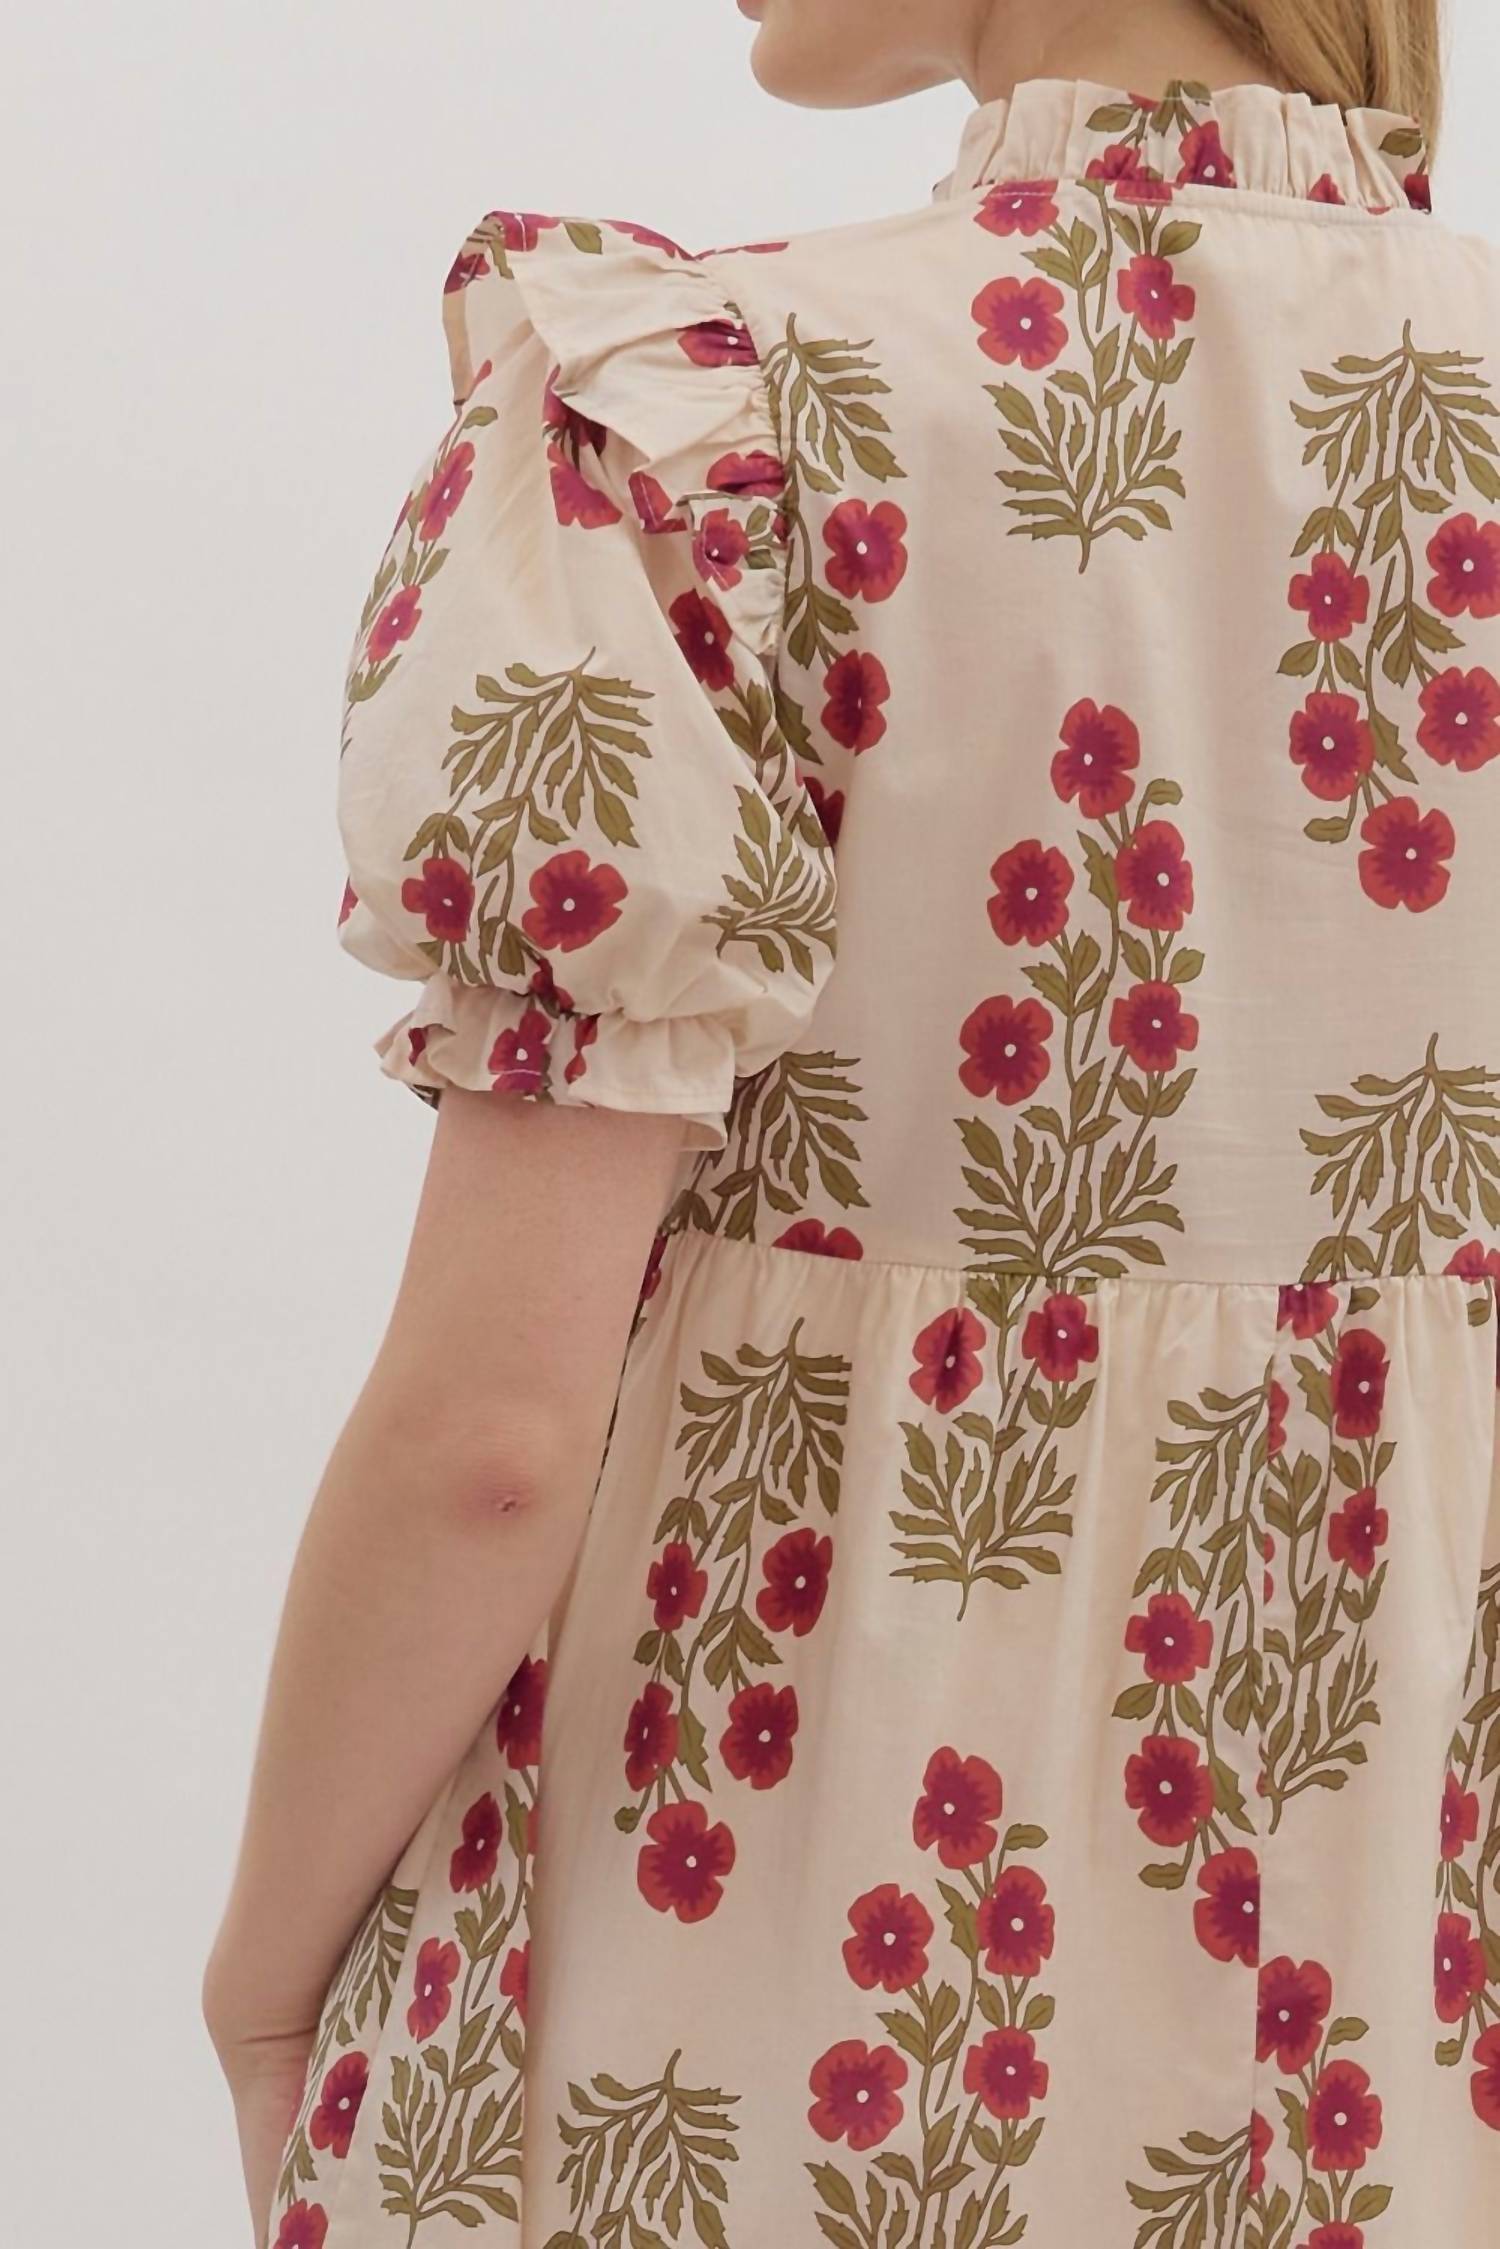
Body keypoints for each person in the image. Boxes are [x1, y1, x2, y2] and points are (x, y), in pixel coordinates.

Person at [207, 1, 1500, 2241]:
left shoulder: (717, 427)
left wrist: (259, 1986)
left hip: (762, 1941)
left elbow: (491, 1439)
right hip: (1418, 1968)